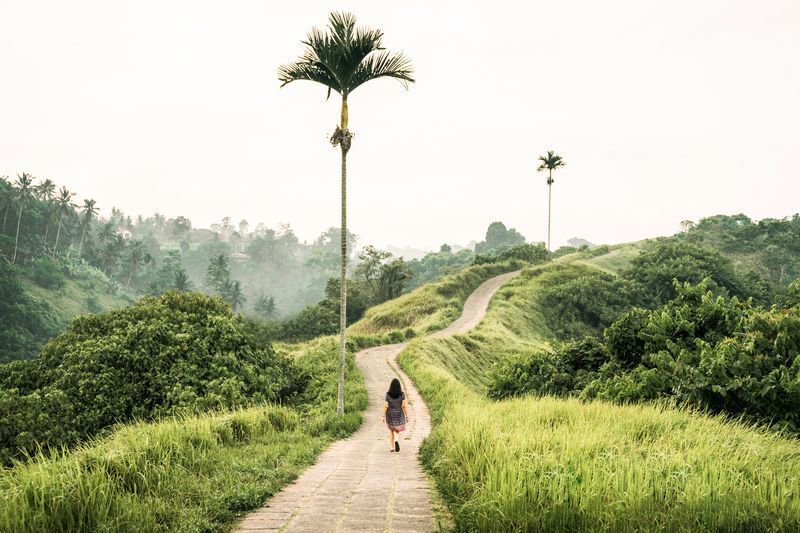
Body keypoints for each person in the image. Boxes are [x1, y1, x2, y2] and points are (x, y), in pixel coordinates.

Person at [382, 378, 409, 452]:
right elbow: (404, 406)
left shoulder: (388, 394)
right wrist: (406, 416)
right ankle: (396, 440)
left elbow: (386, 405)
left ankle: (391, 447)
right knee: (397, 430)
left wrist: (383, 416)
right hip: (399, 414)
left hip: (390, 414)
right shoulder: (402, 394)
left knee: (391, 431)